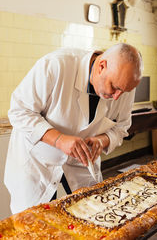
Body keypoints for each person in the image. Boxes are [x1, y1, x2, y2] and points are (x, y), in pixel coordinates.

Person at [4, 43, 142, 214]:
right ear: (101, 66)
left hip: (80, 166)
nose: (117, 97)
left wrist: (103, 140)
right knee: (34, 225)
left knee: (91, 216)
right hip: (38, 164)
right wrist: (59, 139)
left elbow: (122, 127)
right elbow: (20, 111)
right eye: (114, 87)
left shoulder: (123, 85)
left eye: (124, 91)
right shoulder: (56, 65)